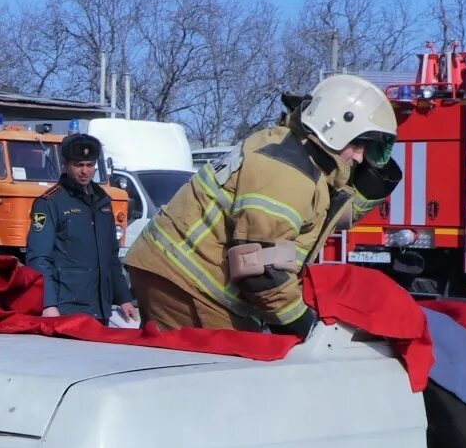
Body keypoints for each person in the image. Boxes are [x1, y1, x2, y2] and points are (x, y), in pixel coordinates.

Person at [124, 74, 400, 335]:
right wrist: (302, 325)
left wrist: (375, 186)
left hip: (176, 272)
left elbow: (322, 220)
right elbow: (258, 269)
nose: (362, 159)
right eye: (361, 145)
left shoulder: (297, 157)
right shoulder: (287, 170)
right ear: (335, 128)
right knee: (223, 377)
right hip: (188, 281)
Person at [24, 131, 136, 324]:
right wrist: (47, 304)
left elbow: (111, 256)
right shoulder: (50, 202)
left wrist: (124, 297)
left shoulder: (102, 201)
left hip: (100, 307)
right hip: (66, 306)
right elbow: (39, 258)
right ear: (66, 164)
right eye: (79, 165)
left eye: (90, 165)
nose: (85, 171)